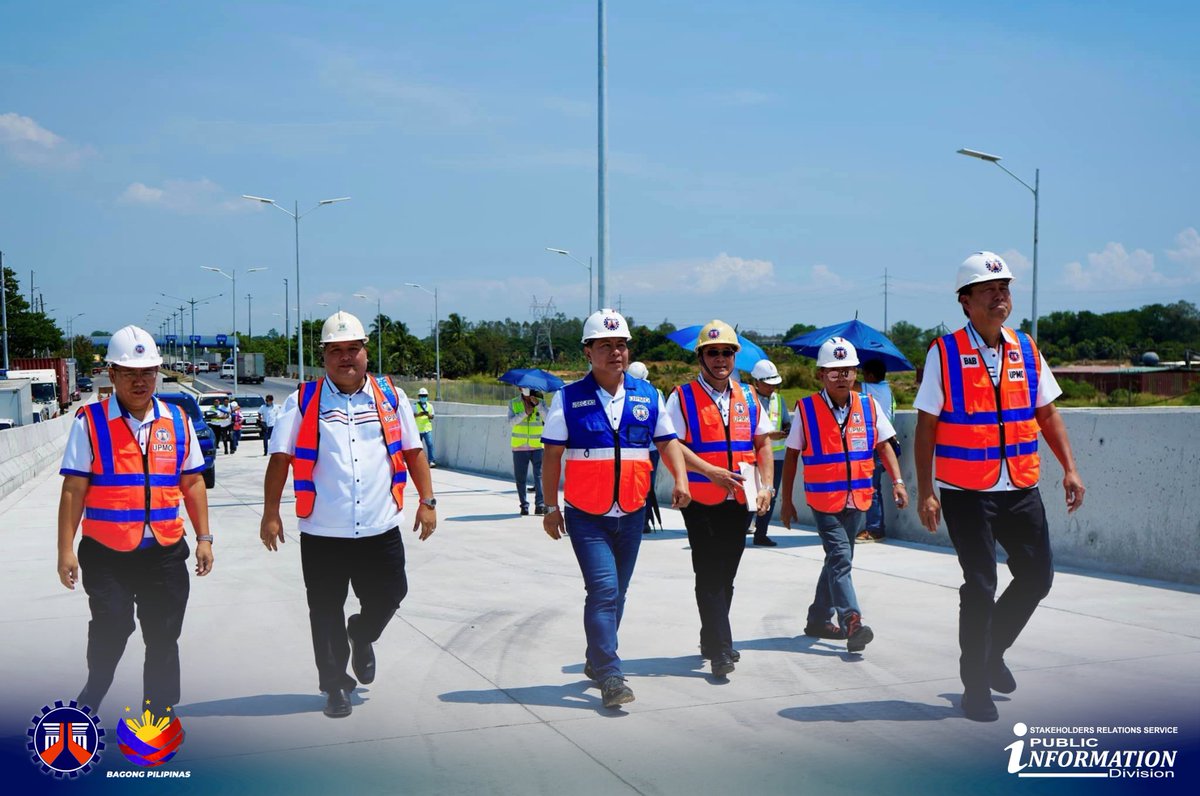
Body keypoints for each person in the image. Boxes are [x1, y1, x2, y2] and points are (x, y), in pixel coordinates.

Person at [914, 251, 1085, 722]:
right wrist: (927, 490)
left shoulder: (1026, 348)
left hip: (1019, 485)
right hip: (965, 490)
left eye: (1004, 288)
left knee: (1037, 576)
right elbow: (926, 425)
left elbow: (1046, 412)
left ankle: (993, 653)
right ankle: (975, 688)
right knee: (982, 584)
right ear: (965, 301)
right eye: (988, 290)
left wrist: (1069, 468)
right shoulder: (943, 353)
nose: (999, 296)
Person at [260, 311, 437, 719]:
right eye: (335, 350)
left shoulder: (392, 396)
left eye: (352, 349)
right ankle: (335, 685)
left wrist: (427, 501)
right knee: (324, 610)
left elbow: (413, 451)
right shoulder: (303, 400)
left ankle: (362, 632)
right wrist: (271, 513)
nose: (345, 358)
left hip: (380, 525)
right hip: (324, 529)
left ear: (365, 352)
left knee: (392, 594)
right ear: (323, 355)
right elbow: (280, 458)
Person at [57, 325, 214, 712]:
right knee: (112, 628)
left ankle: (157, 711)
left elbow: (192, 482)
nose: (141, 381)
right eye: (130, 373)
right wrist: (65, 551)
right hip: (107, 554)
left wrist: (204, 538)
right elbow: (73, 491)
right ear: (112, 374)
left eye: (148, 372)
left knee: (163, 636)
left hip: (163, 550)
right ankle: (93, 694)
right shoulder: (89, 422)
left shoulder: (177, 421)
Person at [541, 310, 692, 709]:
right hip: (586, 514)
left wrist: (680, 479)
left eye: (621, 344)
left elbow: (667, 442)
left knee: (618, 593)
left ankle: (596, 657)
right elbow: (552, 457)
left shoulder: (647, 394)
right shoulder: (568, 398)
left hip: (632, 510)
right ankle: (610, 673)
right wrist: (550, 506)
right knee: (604, 589)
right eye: (605, 345)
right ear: (587, 352)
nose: (615, 352)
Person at [780, 338, 907, 654]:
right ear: (820, 374)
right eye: (834, 371)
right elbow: (792, 455)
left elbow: (884, 446)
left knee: (837, 562)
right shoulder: (806, 409)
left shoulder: (868, 405)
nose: (842, 377)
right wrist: (785, 501)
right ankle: (852, 621)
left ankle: (817, 619)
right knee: (841, 560)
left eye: (848, 370)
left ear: (856, 374)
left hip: (859, 499)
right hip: (824, 502)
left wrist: (898, 482)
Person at [665, 320, 774, 677]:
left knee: (726, 574)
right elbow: (673, 444)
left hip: (740, 499)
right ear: (701, 357)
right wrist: (710, 471)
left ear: (735, 357)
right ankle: (722, 649)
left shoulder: (749, 397)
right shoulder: (681, 397)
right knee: (709, 572)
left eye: (726, 352)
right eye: (713, 352)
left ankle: (711, 636)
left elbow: (762, 444)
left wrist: (766, 487)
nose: (720, 359)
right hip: (700, 498)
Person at [748, 359, 789, 547]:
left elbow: (787, 423)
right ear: (756, 381)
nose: (772, 388)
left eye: (775, 384)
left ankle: (761, 534)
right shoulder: (746, 400)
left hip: (776, 457)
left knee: (769, 495)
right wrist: (766, 435)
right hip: (751, 456)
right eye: (768, 384)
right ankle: (738, 533)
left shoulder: (779, 400)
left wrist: (785, 431)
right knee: (748, 497)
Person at [859, 359, 898, 542]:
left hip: (877, 445)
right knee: (874, 488)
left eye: (864, 373)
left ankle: (874, 529)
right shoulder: (886, 390)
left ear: (871, 376)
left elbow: (851, 385)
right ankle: (874, 526)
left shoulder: (873, 389)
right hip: (886, 443)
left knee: (872, 489)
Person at [627, 361, 663, 533]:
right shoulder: (656, 393)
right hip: (651, 449)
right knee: (647, 487)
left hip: (631, 450)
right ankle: (645, 521)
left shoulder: (623, 392)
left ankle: (636, 520)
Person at [508, 387, 547, 515]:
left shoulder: (540, 401)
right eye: (524, 387)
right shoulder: (514, 402)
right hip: (520, 447)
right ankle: (524, 505)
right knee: (521, 478)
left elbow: (548, 418)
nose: (526, 389)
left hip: (537, 446)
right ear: (519, 388)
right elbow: (511, 423)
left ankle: (540, 505)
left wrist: (538, 405)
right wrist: (524, 413)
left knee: (539, 477)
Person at [414, 387, 436, 467]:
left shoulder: (430, 406)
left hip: (427, 429)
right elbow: (412, 416)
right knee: (417, 447)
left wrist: (427, 414)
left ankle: (431, 461)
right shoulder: (415, 405)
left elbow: (432, 416)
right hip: (418, 429)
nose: (423, 397)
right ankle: (417, 462)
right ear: (419, 396)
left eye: (425, 395)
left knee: (430, 444)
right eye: (422, 396)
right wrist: (419, 414)